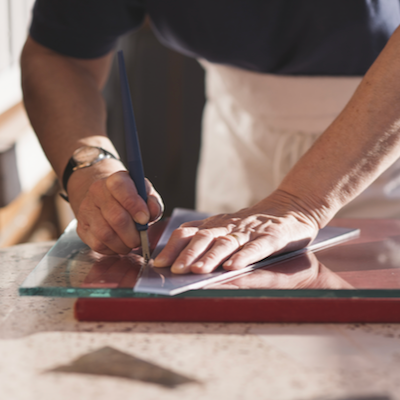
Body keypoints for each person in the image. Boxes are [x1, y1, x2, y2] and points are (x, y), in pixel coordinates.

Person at [21, 0, 400, 275]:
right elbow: (60, 53)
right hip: (238, 133)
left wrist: (301, 202)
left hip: (382, 139)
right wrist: (90, 168)